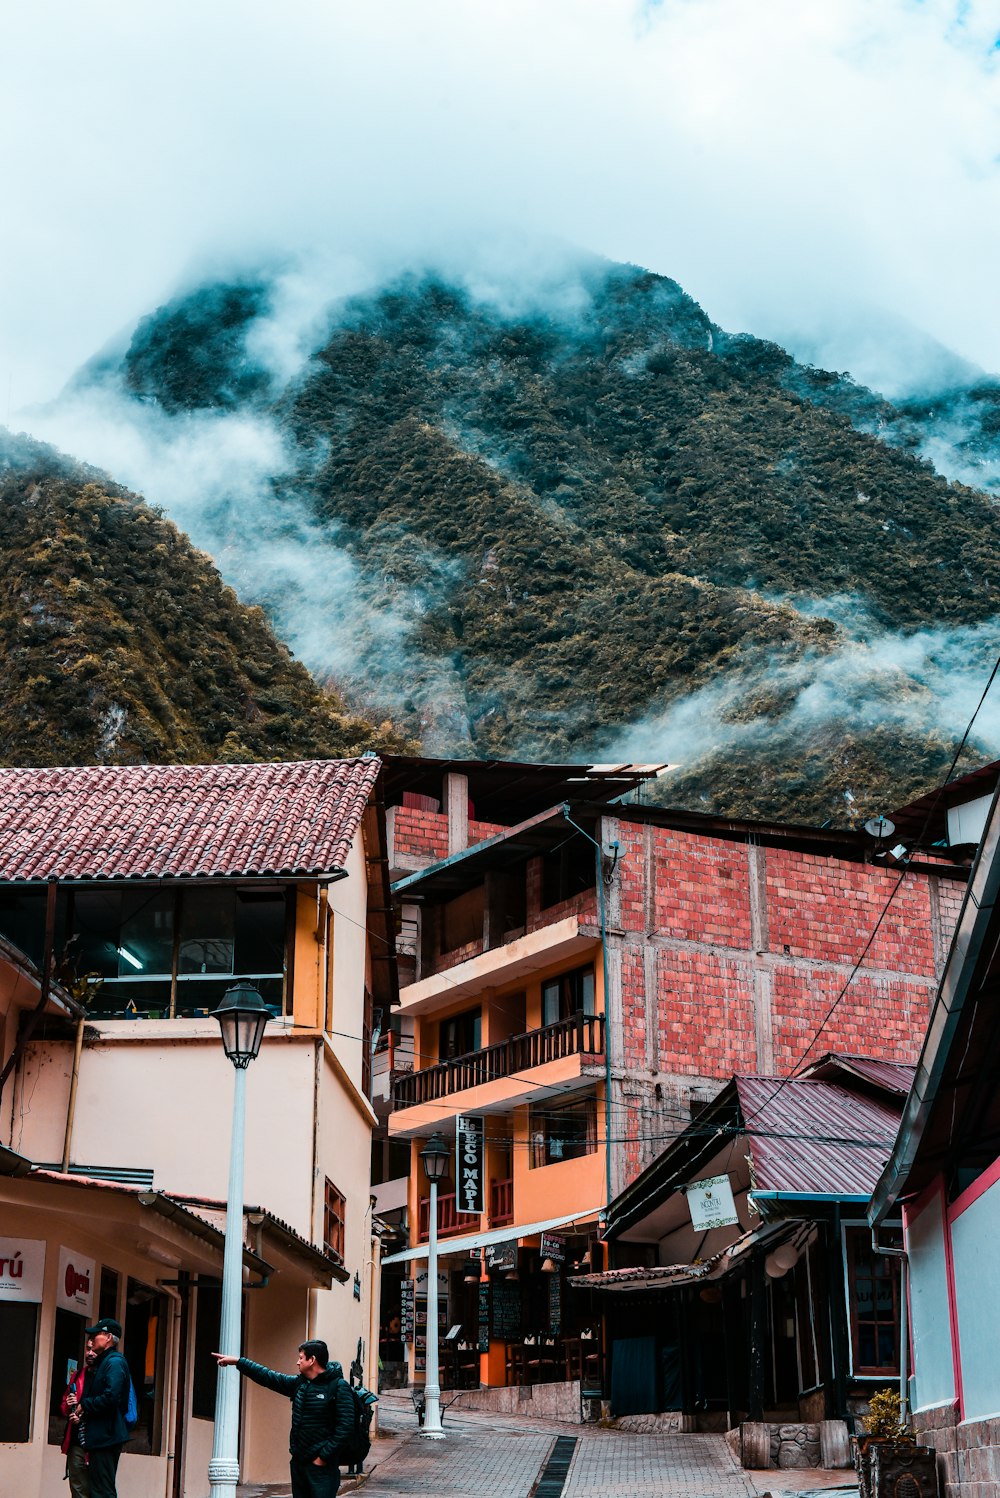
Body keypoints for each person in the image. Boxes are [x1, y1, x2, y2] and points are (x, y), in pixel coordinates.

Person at [212, 1340, 354, 1497]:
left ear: (312, 1360)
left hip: (322, 1469)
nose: (297, 1362)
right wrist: (239, 1362)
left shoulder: (338, 1386)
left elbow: (346, 1426)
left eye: (301, 1358)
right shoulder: (300, 1384)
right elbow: (268, 1377)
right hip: (299, 1464)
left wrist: (323, 1458)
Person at [71, 1318, 131, 1498]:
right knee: (98, 1489)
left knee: (102, 1491)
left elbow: (111, 1397)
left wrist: (85, 1404)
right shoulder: (105, 1362)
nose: (92, 1338)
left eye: (96, 1334)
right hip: (101, 1436)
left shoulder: (114, 1362)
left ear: (108, 1337)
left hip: (107, 1436)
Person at [61, 1343, 97, 1497]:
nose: (90, 1353)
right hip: (76, 1443)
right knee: (77, 1490)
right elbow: (64, 1407)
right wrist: (69, 1407)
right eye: (88, 1349)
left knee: (97, 1490)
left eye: (94, 1350)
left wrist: (84, 1414)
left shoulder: (107, 1377)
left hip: (98, 1442)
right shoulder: (77, 1375)